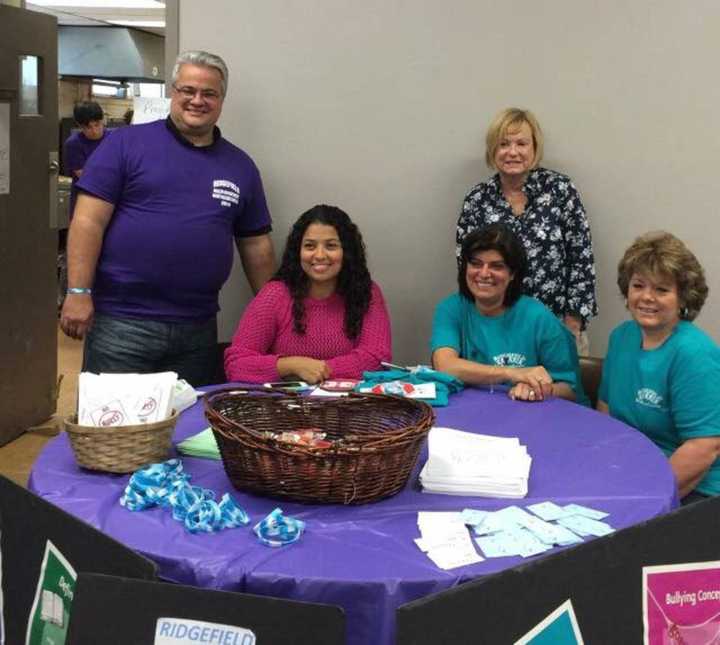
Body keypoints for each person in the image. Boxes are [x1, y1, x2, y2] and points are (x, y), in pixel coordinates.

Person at [60, 50, 276, 386]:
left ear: (221, 100)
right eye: (188, 90)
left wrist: (275, 315)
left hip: (197, 329)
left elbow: (256, 245)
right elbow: (88, 222)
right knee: (111, 431)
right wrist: (77, 290)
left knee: (187, 432)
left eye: (209, 93)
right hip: (122, 325)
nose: (197, 100)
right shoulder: (125, 145)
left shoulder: (240, 166)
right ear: (172, 92)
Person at [456, 107, 597, 352]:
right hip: (495, 328)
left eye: (521, 143)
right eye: (503, 144)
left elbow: (581, 259)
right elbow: (467, 264)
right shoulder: (477, 199)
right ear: (493, 150)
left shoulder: (560, 190)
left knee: (558, 390)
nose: (512, 152)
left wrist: (572, 322)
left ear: (534, 149)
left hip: (555, 325)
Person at [598, 232, 720, 502]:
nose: (647, 297)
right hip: (633, 469)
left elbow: (704, 446)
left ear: (683, 298)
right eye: (638, 285)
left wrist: (646, 497)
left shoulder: (695, 354)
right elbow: (606, 408)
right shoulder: (621, 337)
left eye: (661, 290)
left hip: (696, 489)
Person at [224, 204, 392, 383]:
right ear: (298, 251)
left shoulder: (367, 293)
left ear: (347, 252)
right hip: (282, 406)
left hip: (349, 406)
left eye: (331, 246)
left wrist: (319, 370)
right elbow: (236, 364)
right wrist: (292, 365)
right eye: (310, 246)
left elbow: (377, 359)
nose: (319, 255)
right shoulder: (274, 295)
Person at [431, 224, 585, 403]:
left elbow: (570, 391)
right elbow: (445, 365)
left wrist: (538, 389)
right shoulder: (451, 308)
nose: (484, 273)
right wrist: (512, 373)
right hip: (471, 414)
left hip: (530, 417)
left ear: (513, 274)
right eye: (475, 264)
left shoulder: (540, 318)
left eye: (496, 266)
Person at [63, 101, 111, 219]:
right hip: (86, 200)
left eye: (97, 124)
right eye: (88, 127)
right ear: (80, 126)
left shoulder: (114, 138)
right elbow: (86, 176)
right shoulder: (74, 144)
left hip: (111, 198)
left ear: (102, 120)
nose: (94, 131)